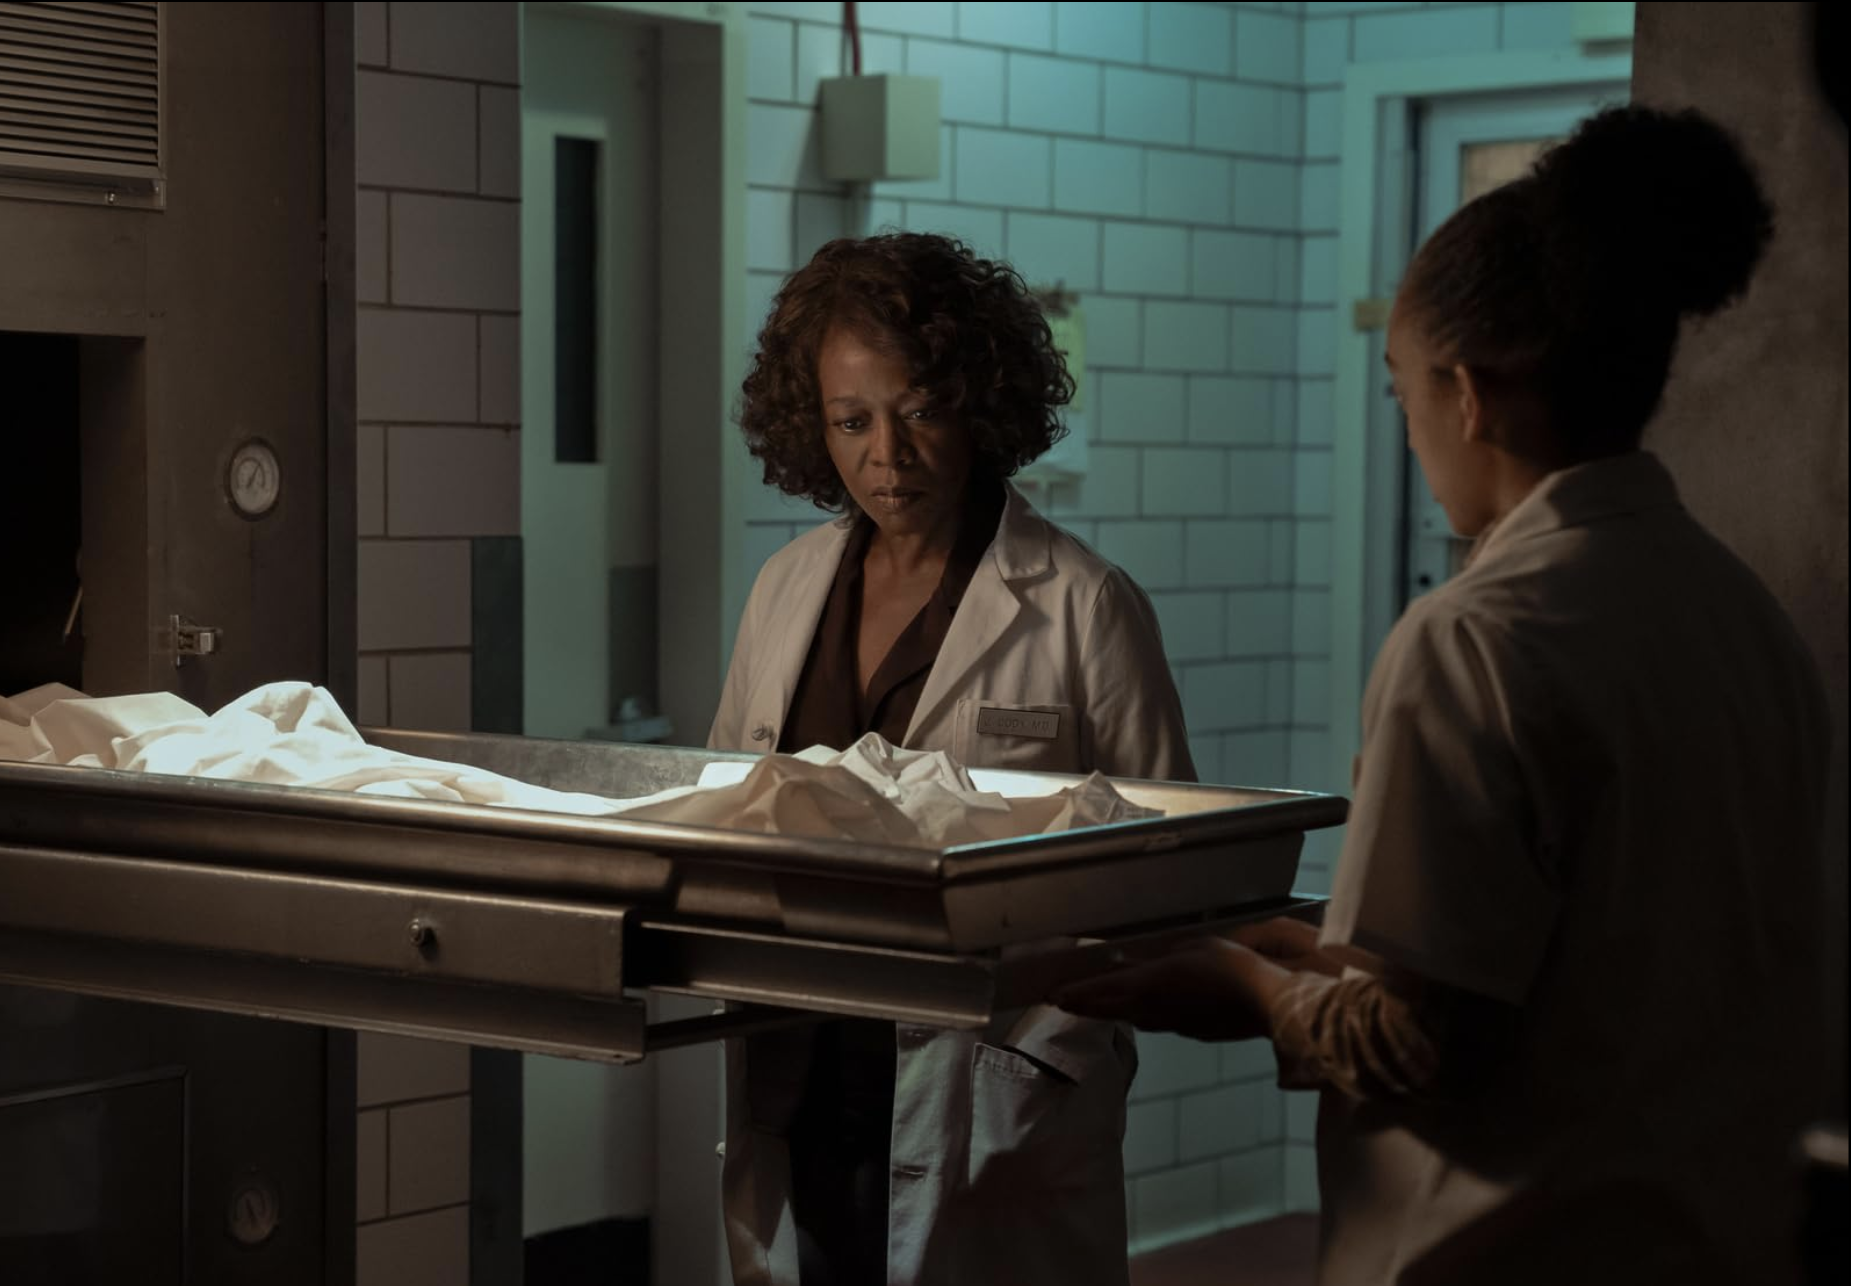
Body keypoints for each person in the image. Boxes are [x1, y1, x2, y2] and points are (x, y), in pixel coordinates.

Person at [1057, 105, 1830, 1285]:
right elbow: (1593, 963)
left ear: (1465, 393)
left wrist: (1242, 981)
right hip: (1714, 1240)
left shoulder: (1473, 637)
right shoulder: (1741, 616)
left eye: (1398, 390)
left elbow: (1406, 1042)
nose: (1412, 430)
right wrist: (1325, 950)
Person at [709, 232, 1196, 1286]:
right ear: (811, 424)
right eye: (851, 421)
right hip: (803, 1060)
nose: (887, 455)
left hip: (993, 1080)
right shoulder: (785, 589)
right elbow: (726, 807)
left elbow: (1166, 876)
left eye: (921, 410)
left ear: (980, 404)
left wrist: (1054, 1037)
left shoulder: (1084, 604)